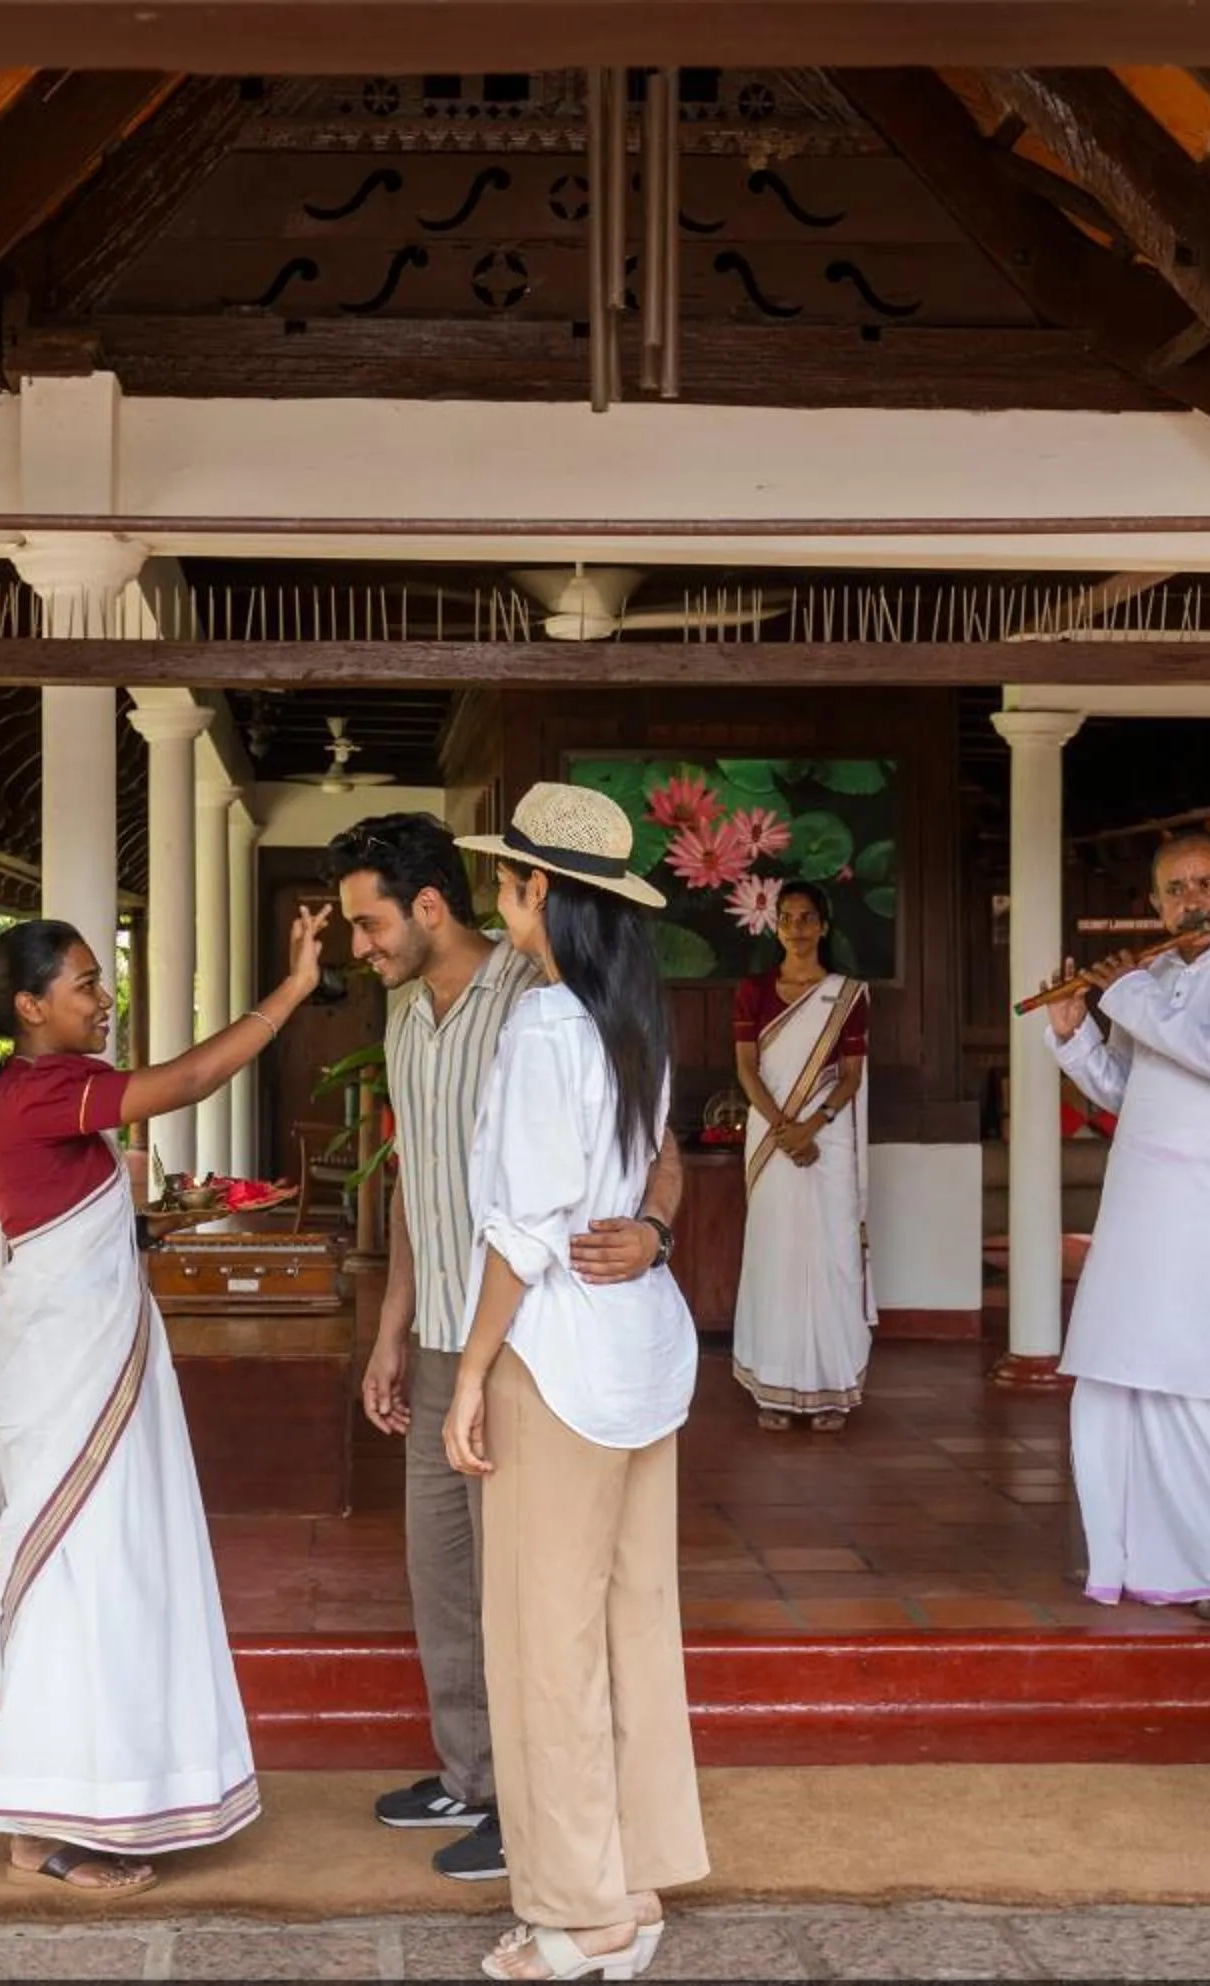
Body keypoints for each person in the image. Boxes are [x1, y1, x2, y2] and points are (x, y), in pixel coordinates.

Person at [0, 904, 333, 1894]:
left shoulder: (43, 1089)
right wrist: (293, 992)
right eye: (84, 986)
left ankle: (102, 1793)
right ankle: (38, 1825)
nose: (103, 1002)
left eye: (100, 983)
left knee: (110, 1575)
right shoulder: (38, 1092)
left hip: (89, 1366)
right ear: (29, 1006)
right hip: (72, 1378)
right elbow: (186, 1082)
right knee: (82, 1577)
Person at [325, 812, 682, 1884]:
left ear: (430, 906)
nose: (361, 947)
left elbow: (653, 1154)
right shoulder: (402, 1021)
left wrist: (655, 1229)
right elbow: (418, 1189)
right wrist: (391, 1332)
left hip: (522, 1342)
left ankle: (535, 1808)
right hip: (444, 1331)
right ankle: (474, 1777)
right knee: (444, 1575)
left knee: (530, 1589)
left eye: (368, 923)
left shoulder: (540, 1007)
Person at [444, 782, 708, 1983]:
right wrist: (653, 1228)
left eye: (507, 879)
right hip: (640, 1352)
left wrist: (472, 1371)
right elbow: (660, 1167)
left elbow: (523, 1232)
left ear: (541, 892)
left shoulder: (548, 1026)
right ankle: (633, 1878)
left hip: (555, 1359)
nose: (499, 897)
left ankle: (584, 1911)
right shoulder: (633, 1017)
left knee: (544, 1641)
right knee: (629, 1622)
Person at [1045, 832, 1210, 1625]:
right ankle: (1132, 1551)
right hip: (1139, 1209)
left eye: (1207, 883)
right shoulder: (1152, 974)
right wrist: (1071, 1029)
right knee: (1123, 1374)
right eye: (1176, 888)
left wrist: (1124, 998)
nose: (1193, 899)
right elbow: (1126, 1087)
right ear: (1155, 904)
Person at [729, 880, 873, 1431]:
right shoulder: (753, 989)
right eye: (786, 918)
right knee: (775, 1254)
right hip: (770, 1138)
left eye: (806, 918)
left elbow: (852, 1077)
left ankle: (831, 1389)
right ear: (776, 926)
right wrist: (785, 1127)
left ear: (823, 925)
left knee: (830, 1255)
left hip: (827, 1142)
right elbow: (747, 1068)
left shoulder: (847, 995)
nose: (795, 928)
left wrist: (813, 1126)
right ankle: (775, 1388)